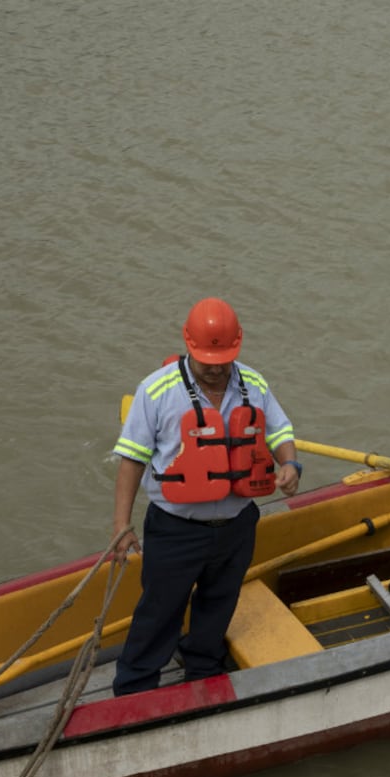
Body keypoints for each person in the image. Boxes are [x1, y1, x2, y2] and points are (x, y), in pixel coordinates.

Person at [110, 297, 301, 695]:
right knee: (159, 610)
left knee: (220, 602)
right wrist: (121, 525)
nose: (215, 369)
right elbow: (131, 459)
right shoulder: (156, 391)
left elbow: (281, 431)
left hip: (237, 525)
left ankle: (202, 668)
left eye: (223, 359)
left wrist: (290, 465)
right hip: (175, 528)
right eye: (206, 360)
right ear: (187, 344)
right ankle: (134, 686)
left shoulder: (255, 383)